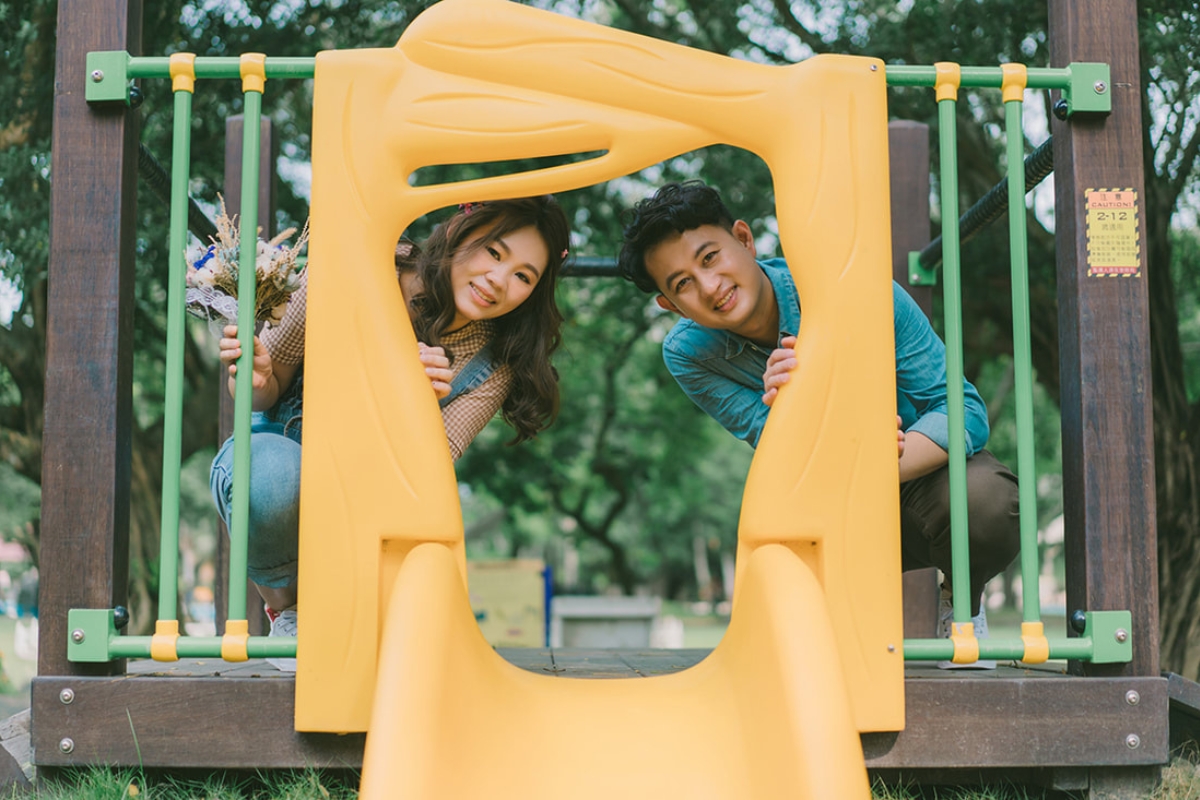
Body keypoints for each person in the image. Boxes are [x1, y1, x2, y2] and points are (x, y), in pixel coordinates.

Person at [617, 181, 1019, 669]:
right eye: (681, 284)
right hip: (825, 497)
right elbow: (772, 446)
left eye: (710, 257)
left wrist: (877, 460)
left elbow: (964, 410)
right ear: (671, 305)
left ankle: (961, 603)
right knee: (798, 644)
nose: (708, 286)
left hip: (911, 472)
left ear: (744, 239)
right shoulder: (688, 352)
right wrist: (790, 406)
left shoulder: (857, 291)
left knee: (985, 499)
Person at [210, 196, 570, 670]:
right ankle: (289, 608)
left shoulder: (493, 365)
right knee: (272, 478)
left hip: (372, 496)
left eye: (524, 275)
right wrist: (253, 377)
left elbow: (426, 478)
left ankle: (357, 609)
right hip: (287, 458)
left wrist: (416, 410)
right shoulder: (362, 266)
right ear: (460, 233)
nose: (499, 281)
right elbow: (267, 384)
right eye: (494, 252)